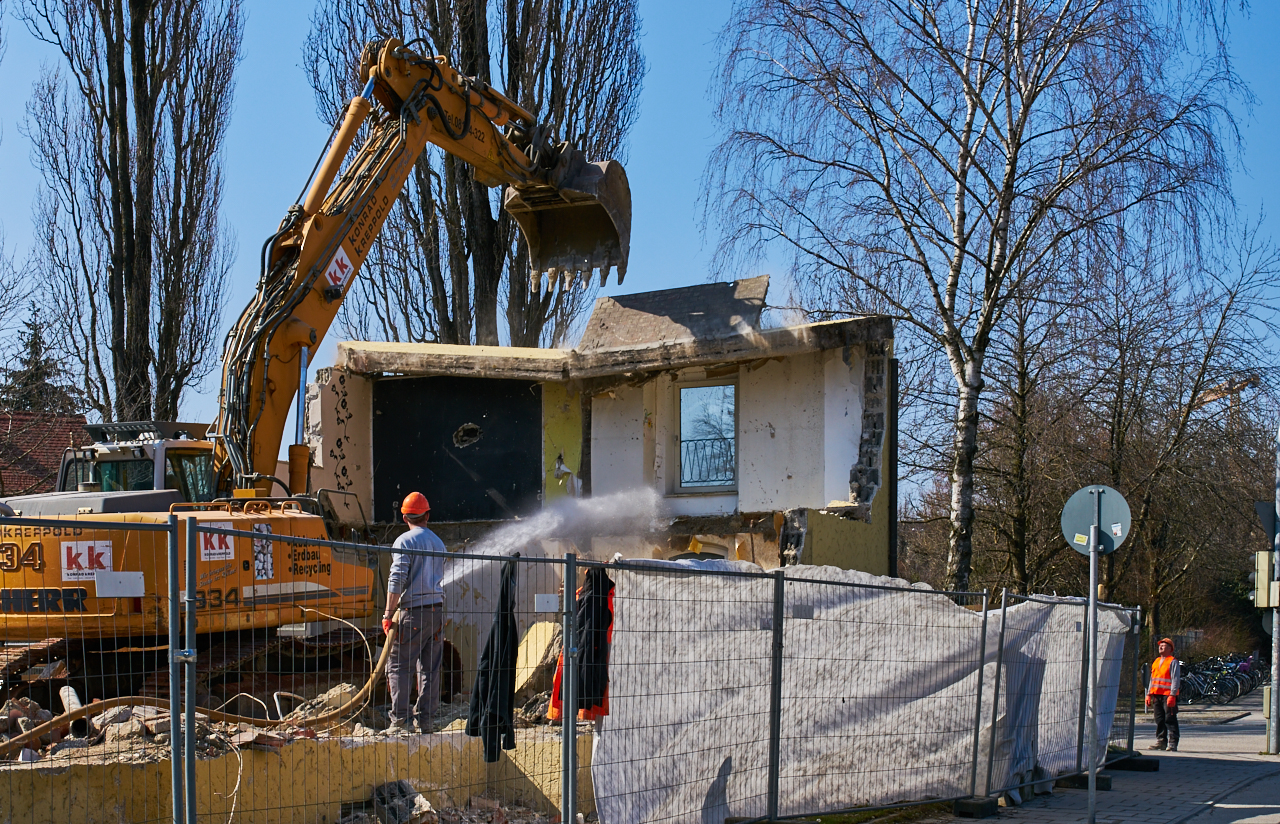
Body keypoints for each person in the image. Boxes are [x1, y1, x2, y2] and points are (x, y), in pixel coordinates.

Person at [382, 491, 447, 733]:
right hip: (436, 612)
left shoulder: (404, 541)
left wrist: (388, 614)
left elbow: (396, 579)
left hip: (413, 612)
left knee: (399, 665)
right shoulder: (438, 542)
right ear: (427, 515)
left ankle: (400, 721)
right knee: (430, 668)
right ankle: (426, 721)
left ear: (404, 518)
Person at [1145, 637, 1181, 751]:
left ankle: (1173, 743)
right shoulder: (1156, 661)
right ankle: (1161, 741)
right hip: (1157, 695)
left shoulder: (1173, 661)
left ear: (1170, 648)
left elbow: (1175, 679)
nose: (1160, 647)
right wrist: (1149, 694)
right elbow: (1152, 678)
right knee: (1159, 719)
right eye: (1160, 645)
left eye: (1164, 645)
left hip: (1167, 695)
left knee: (1170, 719)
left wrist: (1172, 694)